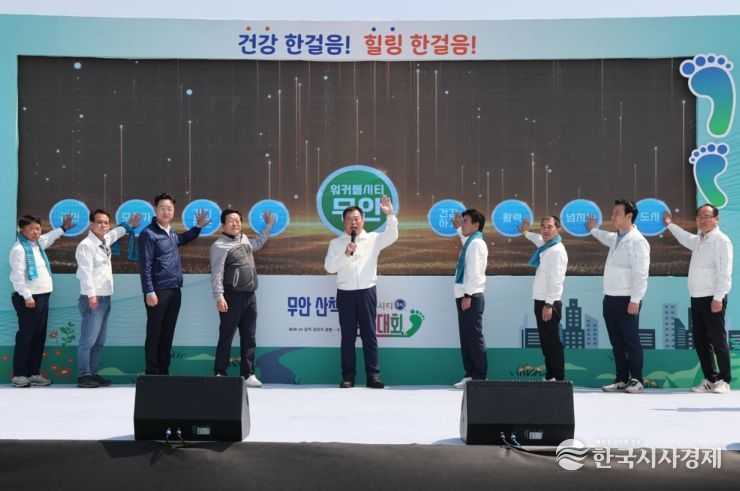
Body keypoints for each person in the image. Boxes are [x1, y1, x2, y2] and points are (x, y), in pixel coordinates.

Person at [324, 196, 398, 388]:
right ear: (343, 222)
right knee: (347, 337)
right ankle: (348, 377)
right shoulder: (336, 243)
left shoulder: (373, 239)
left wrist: (390, 214)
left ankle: (373, 376)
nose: (353, 222)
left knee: (369, 335)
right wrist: (346, 254)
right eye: (349, 219)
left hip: (367, 292)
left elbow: (392, 235)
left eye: (356, 218)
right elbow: (330, 268)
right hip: (345, 293)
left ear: (363, 220)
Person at [664, 205, 733, 394]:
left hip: (713, 297)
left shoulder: (721, 240)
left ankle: (724, 380)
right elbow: (685, 238)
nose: (702, 220)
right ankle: (710, 378)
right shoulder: (700, 240)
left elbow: (725, 272)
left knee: (718, 340)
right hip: (697, 297)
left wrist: (718, 297)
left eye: (707, 216)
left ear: (716, 219)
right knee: (701, 341)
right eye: (699, 216)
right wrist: (669, 224)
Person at [138, 193, 209, 375]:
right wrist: (149, 291)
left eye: (169, 208)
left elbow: (183, 239)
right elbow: (145, 265)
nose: (166, 212)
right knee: (155, 332)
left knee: (168, 332)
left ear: (173, 211)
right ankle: (152, 371)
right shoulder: (148, 234)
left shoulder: (171, 233)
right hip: (158, 291)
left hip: (175, 290)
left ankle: (164, 370)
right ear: (156, 210)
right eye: (162, 208)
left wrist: (198, 227)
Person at [586, 199, 650, 394]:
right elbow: (604, 236)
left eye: (616, 213)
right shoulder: (616, 238)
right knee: (617, 342)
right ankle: (621, 379)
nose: (612, 216)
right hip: (610, 298)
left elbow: (641, 274)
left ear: (629, 216)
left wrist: (635, 300)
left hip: (627, 299)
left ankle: (637, 380)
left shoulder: (638, 241)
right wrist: (593, 229)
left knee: (631, 341)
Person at [75, 209, 140, 388]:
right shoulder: (86, 245)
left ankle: (93, 373)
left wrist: (129, 225)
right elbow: (85, 273)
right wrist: (91, 296)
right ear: (91, 224)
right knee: (88, 340)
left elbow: (116, 233)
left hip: (105, 297)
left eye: (106, 222)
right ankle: (84, 375)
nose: (103, 225)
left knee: (99, 341)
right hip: (93, 298)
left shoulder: (104, 240)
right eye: (99, 222)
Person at [210, 208, 273, 387]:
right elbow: (216, 273)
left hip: (250, 295)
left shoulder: (244, 239)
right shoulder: (219, 246)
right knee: (227, 335)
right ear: (223, 225)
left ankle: (248, 374)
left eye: (238, 220)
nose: (235, 223)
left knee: (249, 336)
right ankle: (220, 372)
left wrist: (268, 226)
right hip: (231, 297)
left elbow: (258, 243)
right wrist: (219, 296)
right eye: (231, 220)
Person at [9, 213, 73, 387]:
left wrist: (63, 228)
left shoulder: (37, 244)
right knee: (26, 336)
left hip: (43, 296)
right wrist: (27, 296)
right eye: (32, 229)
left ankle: (34, 373)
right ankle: (19, 374)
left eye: (38, 228)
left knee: (39, 336)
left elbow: (49, 237)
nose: (36, 232)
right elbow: (17, 277)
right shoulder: (19, 249)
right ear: (22, 230)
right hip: (29, 299)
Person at [520, 216, 568, 382]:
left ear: (558, 229)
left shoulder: (556, 251)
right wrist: (526, 232)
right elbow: (538, 239)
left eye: (550, 227)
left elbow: (556, 281)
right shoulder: (547, 246)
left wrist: (548, 304)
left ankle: (558, 378)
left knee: (552, 342)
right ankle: (551, 376)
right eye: (543, 227)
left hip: (549, 303)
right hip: (541, 301)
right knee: (546, 342)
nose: (545, 230)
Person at [451, 209, 489, 389]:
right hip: (465, 296)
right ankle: (470, 374)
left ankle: (479, 376)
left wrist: (468, 295)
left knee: (473, 337)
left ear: (476, 225)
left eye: (465, 221)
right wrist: (458, 229)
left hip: (470, 297)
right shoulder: (471, 242)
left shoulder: (476, 244)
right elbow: (464, 240)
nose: (462, 223)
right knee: (466, 337)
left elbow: (475, 273)